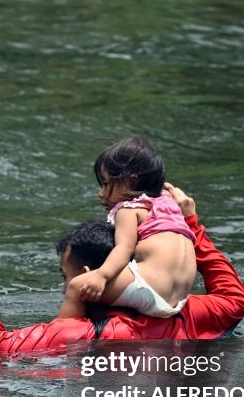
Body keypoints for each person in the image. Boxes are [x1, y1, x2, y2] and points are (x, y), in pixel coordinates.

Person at [0, 184, 244, 353]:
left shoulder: (82, 335)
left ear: (86, 273)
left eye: (66, 276)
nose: (64, 287)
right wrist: (189, 226)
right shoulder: (185, 314)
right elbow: (235, 300)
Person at [58, 137, 195, 320]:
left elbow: (124, 247)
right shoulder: (169, 205)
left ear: (131, 182)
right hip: (179, 297)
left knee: (77, 286)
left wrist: (102, 276)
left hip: (152, 289)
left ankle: (58, 334)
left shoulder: (129, 210)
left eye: (106, 184)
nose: (101, 194)